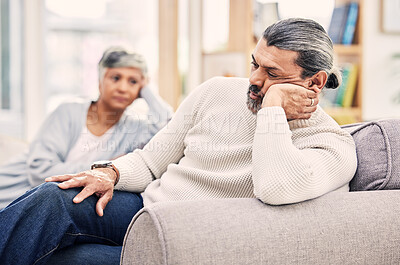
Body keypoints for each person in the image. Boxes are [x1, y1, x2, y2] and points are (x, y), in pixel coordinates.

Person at [0, 18, 357, 265]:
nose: (254, 80)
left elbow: (275, 187)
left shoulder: (331, 146)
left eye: (272, 74)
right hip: (146, 207)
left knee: (66, 260)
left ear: (315, 82)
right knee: (54, 199)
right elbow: (151, 161)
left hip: (194, 240)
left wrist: (273, 109)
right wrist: (109, 172)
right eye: (255, 65)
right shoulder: (216, 91)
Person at [0, 46, 173, 208]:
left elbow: (170, 127)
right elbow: (39, 170)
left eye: (133, 82)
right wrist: (101, 169)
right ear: (100, 81)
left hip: (43, 209)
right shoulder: (69, 111)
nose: (122, 88)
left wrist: (147, 90)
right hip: (8, 195)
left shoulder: (135, 128)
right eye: (115, 78)